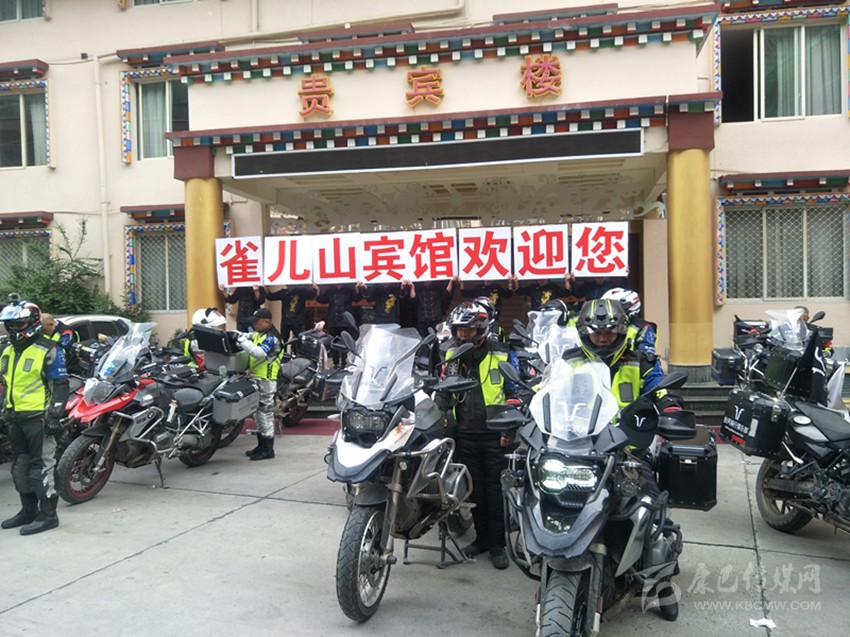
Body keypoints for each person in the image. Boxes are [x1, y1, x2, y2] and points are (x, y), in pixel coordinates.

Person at [434, 301, 512, 570]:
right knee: (474, 490)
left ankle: (497, 544)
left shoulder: (501, 352)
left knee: (495, 492)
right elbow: (444, 391)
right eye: (459, 330)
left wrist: (509, 428)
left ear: (481, 329)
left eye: (468, 330)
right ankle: (481, 539)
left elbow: (515, 391)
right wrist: (436, 416)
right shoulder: (452, 353)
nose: (463, 335)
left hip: (495, 434)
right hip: (466, 432)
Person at [0, 298, 69, 535]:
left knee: (42, 468)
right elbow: (6, 385)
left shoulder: (48, 349)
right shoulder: (7, 351)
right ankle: (27, 511)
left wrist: (55, 415)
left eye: (18, 324)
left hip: (39, 418)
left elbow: (60, 385)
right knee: (20, 467)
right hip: (14, 418)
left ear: (33, 322)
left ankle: (48, 515)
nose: (14, 329)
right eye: (10, 325)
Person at [236, 308, 281, 461]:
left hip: (267, 380)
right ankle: (261, 446)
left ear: (267, 322)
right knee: (258, 414)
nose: (254, 324)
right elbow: (245, 335)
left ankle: (268, 450)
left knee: (265, 414)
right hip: (257, 379)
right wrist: (235, 335)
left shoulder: (272, 338)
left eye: (257, 321)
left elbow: (259, 353)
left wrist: (242, 341)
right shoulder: (258, 334)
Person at [315, 283, 362, 366]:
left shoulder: (349, 290)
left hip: (345, 321)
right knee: (334, 343)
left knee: (346, 343)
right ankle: (335, 363)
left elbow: (357, 298)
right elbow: (322, 300)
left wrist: (357, 288)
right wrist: (317, 289)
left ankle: (345, 363)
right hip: (333, 321)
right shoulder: (330, 291)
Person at [601, 288, 658, 355]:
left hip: (629, 361)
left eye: (613, 308)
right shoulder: (603, 325)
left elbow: (647, 355)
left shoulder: (644, 327)